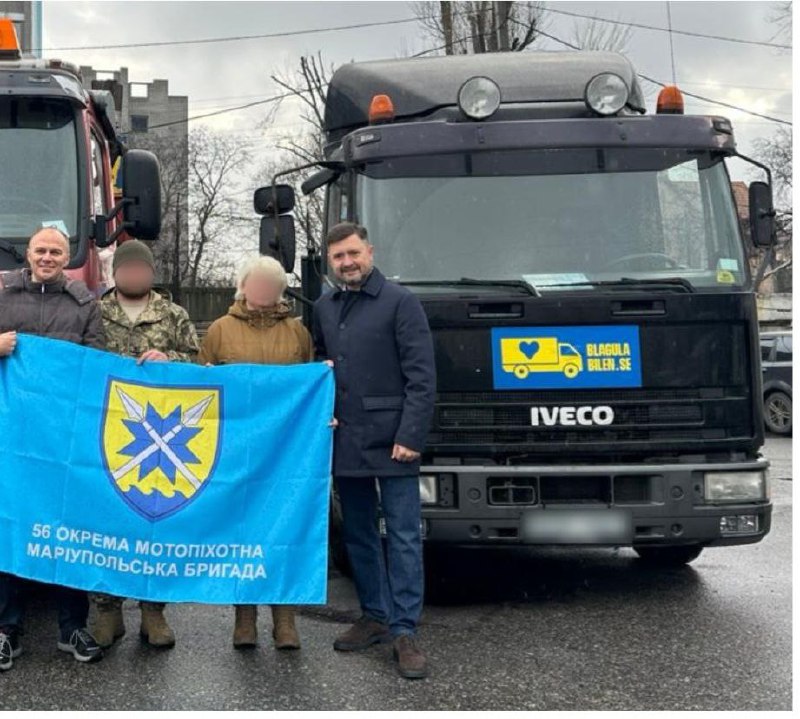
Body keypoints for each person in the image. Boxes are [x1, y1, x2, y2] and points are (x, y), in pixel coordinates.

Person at [312, 222, 436, 680]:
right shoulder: (325, 306)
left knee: (403, 536)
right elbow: (323, 364)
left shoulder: (401, 303)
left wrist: (410, 435)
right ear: (330, 262)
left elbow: (422, 377)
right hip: (347, 440)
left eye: (353, 254)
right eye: (338, 257)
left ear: (369, 251)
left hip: (395, 441)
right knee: (359, 534)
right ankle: (374, 615)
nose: (347, 263)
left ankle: (405, 630)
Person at [0, 227, 105, 670]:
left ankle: (72, 627)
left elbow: (98, 364)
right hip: (11, 436)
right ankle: (7, 629)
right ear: (28, 254)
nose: (47, 257)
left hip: (64, 439)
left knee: (68, 532)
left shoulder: (84, 303)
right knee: (10, 528)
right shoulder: (2, 295)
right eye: (41, 250)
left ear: (66, 258)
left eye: (56, 252)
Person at [198, 255, 313, 651]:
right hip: (237, 452)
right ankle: (244, 617)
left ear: (280, 290)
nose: (263, 290)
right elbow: (202, 390)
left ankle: (285, 618)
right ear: (243, 286)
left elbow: (310, 387)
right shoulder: (218, 331)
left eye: (271, 284)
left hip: (287, 453)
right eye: (256, 283)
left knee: (285, 528)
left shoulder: (298, 333)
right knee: (242, 531)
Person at [90, 239, 200, 650]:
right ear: (116, 273)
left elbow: (199, 361)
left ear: (151, 274)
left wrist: (169, 358)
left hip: (162, 435)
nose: (134, 275)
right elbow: (78, 361)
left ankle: (153, 612)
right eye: (127, 269)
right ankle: (107, 611)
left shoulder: (173, 315)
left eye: (141, 269)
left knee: (156, 522)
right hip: (110, 435)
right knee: (106, 522)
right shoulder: (96, 313)